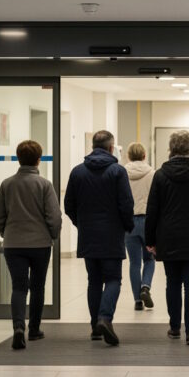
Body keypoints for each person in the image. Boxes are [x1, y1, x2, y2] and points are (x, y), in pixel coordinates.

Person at [145, 130, 189, 345]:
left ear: (171, 148)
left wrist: (150, 240)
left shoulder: (160, 175)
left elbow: (152, 211)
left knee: (173, 283)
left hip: (169, 237)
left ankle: (175, 328)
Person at [65, 130, 134, 346]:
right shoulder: (118, 172)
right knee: (113, 279)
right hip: (112, 235)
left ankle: (95, 326)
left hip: (88, 235)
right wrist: (127, 226)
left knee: (94, 280)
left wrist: (81, 224)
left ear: (93, 146)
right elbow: (126, 204)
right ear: (111, 148)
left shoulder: (77, 172)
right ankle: (105, 318)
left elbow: (69, 205)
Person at [0, 140, 62, 350]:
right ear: (38, 160)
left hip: (13, 244)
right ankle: (34, 329)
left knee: (19, 287)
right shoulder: (44, 185)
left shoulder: (7, 184)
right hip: (40, 244)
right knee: (38, 286)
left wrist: (6, 232)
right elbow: (54, 217)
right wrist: (52, 236)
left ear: (18, 159)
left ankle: (18, 328)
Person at [124, 143, 156, 311]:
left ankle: (137, 300)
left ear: (128, 156)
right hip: (148, 222)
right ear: (144, 155)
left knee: (134, 263)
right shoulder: (152, 173)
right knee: (149, 258)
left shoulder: (122, 173)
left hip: (129, 223)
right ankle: (145, 287)